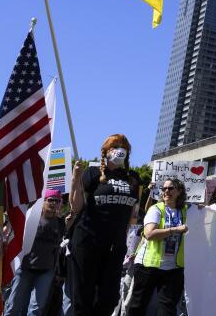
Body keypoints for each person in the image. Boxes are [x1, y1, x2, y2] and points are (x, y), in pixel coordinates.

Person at [68, 134, 140, 316]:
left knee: (109, 299)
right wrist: (75, 178)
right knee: (83, 298)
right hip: (87, 241)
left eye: (124, 146)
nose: (120, 149)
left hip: (115, 246)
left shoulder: (133, 178)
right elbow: (76, 207)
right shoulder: (92, 173)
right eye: (115, 146)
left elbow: (132, 215)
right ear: (105, 151)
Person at [126, 178, 188, 316]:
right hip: (148, 266)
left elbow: (207, 216)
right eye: (164, 188)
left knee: (167, 309)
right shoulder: (156, 209)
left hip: (173, 268)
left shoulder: (185, 210)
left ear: (179, 191)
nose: (166, 191)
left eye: (171, 188)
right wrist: (176, 230)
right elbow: (149, 234)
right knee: (138, 306)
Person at [5, 189, 66, 316]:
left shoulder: (61, 223)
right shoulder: (31, 217)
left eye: (57, 200)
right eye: (50, 200)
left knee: (35, 310)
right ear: (43, 201)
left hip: (46, 270)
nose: (53, 203)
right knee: (13, 306)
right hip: (24, 268)